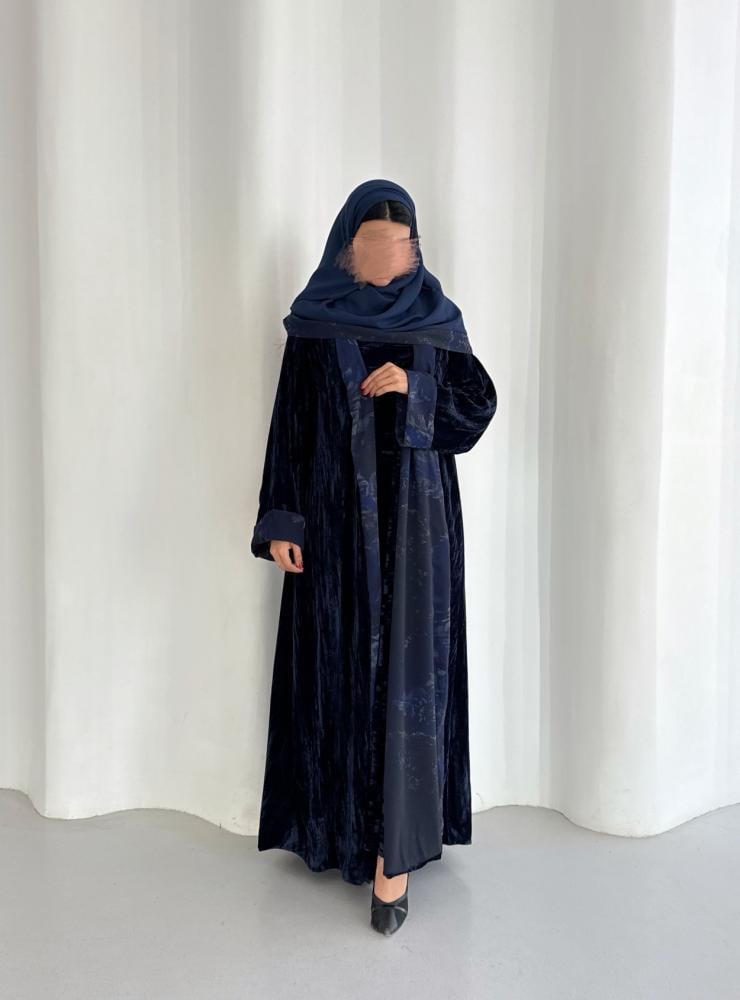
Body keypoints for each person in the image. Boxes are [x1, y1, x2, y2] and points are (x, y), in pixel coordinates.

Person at [250, 178, 497, 936]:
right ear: (346, 249)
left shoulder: (437, 320)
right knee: (340, 670)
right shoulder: (314, 322)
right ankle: (338, 831)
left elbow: (476, 408)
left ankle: (396, 854)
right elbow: (292, 424)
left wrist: (414, 387)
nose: (388, 260)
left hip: (419, 532)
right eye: (372, 247)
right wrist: (283, 519)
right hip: (332, 527)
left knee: (408, 680)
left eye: (400, 247)